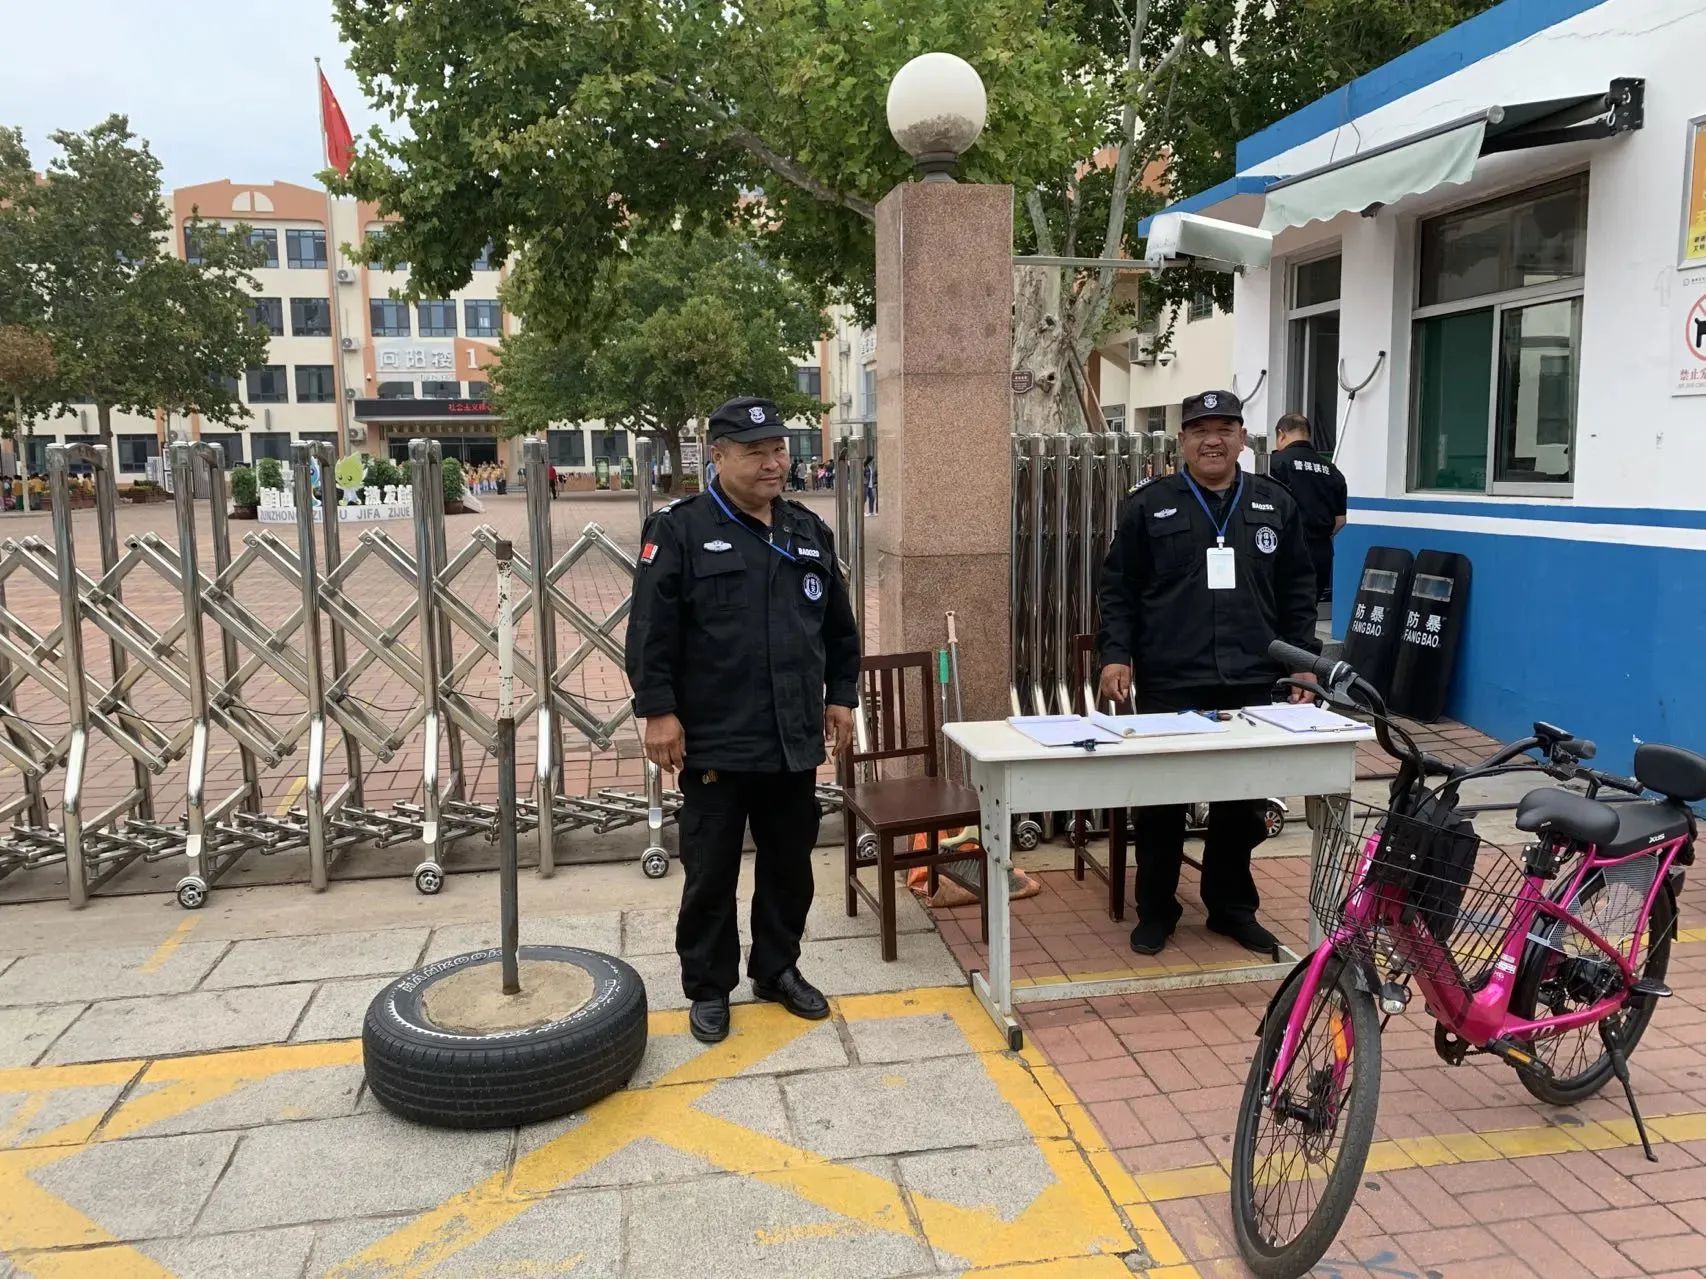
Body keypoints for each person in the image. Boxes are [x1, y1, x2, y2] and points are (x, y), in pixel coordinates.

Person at [626, 395, 863, 1044]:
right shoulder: (679, 529)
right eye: (755, 451)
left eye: (779, 449)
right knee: (711, 871)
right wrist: (658, 711)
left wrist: (842, 696)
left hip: (791, 736)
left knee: (789, 864)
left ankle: (776, 968)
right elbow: (650, 631)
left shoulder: (807, 531)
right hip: (715, 739)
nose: (772, 463)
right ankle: (709, 987)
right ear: (719, 455)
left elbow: (838, 630)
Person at [1096, 389, 1320, 958]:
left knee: (1240, 804)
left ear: (1243, 438)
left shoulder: (1275, 503)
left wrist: (1303, 664)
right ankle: (1157, 910)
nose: (1212, 440)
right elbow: (1118, 588)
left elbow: (1299, 590)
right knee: (1161, 803)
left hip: (1252, 675)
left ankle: (1231, 909)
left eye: (1224, 429)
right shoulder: (1149, 505)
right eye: (1199, 430)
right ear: (1182, 441)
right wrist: (1116, 654)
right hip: (1171, 676)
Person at [1268, 413, 1348, 603]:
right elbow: (1340, 521)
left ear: (1281, 434)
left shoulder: (1275, 464)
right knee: (1308, 609)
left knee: (1277, 609)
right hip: (1320, 553)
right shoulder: (1332, 470)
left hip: (1284, 551)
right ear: (1307, 435)